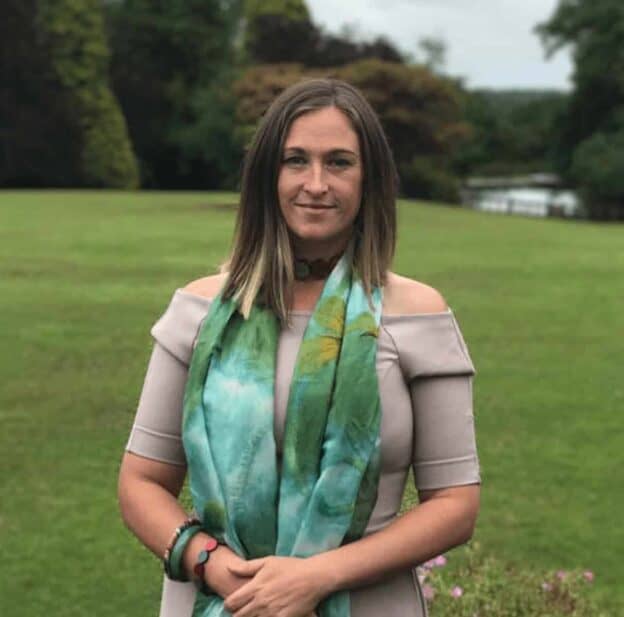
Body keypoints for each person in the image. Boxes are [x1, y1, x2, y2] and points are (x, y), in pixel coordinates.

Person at [118, 78, 480, 617]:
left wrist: (316, 577)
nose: (316, 183)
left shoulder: (416, 315)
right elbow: (141, 482)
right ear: (269, 175)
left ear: (369, 180)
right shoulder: (199, 313)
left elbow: (455, 504)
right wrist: (220, 569)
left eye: (339, 163)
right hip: (222, 598)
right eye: (296, 161)